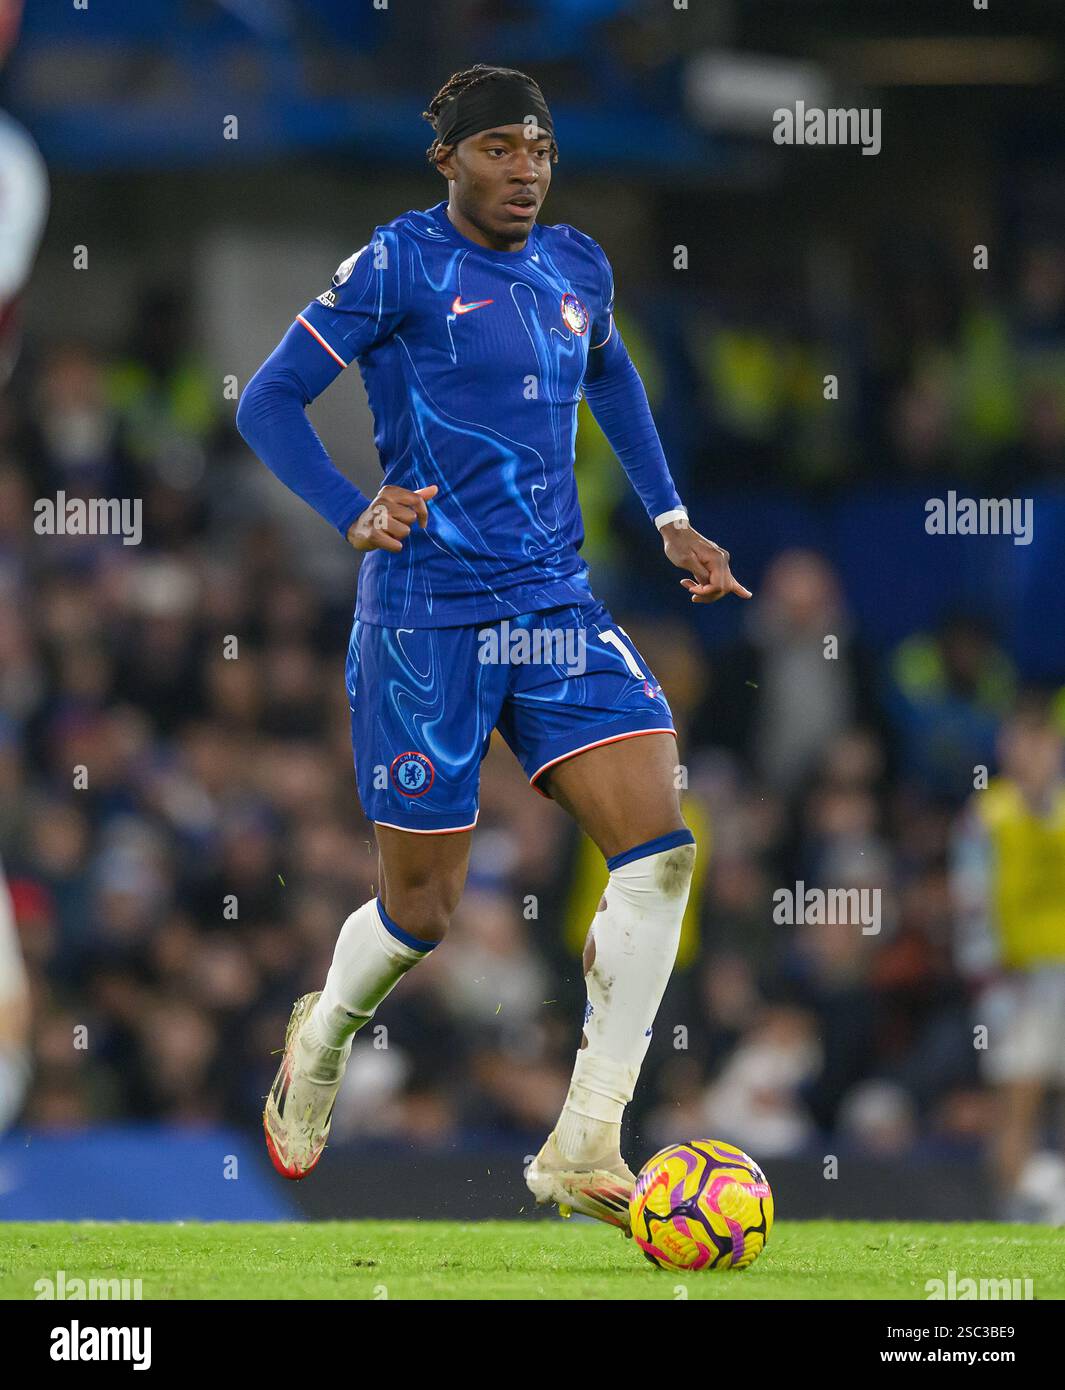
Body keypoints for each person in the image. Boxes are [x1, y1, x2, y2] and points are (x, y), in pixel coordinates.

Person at [236, 64, 749, 1231]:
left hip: (556, 606)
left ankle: (586, 1138)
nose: (524, 170)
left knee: (661, 852)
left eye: (540, 150)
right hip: (426, 620)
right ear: (449, 160)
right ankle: (323, 1035)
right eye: (500, 149)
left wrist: (669, 519)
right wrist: (349, 512)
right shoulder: (397, 265)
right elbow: (266, 400)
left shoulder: (578, 267)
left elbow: (610, 375)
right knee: (422, 913)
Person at [951, 704, 1065, 1220]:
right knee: (1018, 1097)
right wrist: (988, 976)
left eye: (1044, 745)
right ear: (1007, 751)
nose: (1036, 756)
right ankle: (1014, 1217)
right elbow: (970, 902)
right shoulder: (986, 817)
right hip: (1015, 980)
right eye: (1025, 744)